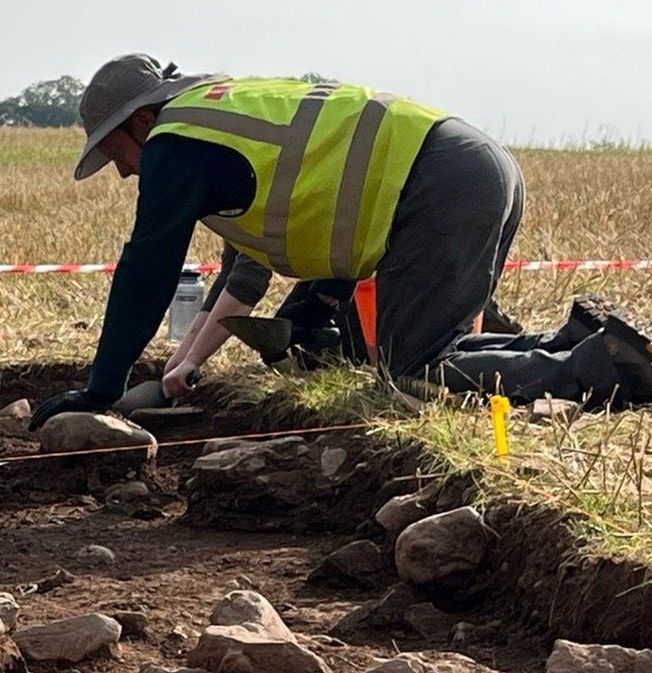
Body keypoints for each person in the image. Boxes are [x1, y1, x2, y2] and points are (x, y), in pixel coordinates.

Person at [31, 54, 576, 429]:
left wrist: (102, 389)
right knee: (387, 343)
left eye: (116, 154)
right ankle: (579, 340)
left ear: (142, 122)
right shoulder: (220, 118)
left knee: (414, 368)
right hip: (469, 163)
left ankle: (615, 367)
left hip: (436, 183)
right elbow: (244, 275)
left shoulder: (175, 143)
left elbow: (146, 270)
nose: (125, 172)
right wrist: (185, 363)